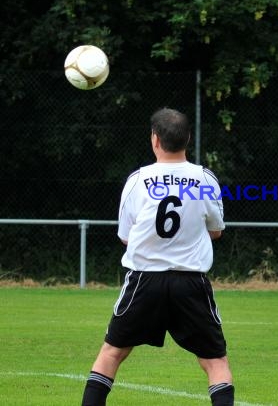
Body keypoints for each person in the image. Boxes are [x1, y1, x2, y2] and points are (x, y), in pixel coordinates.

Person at [81, 108, 234, 406]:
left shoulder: (138, 180)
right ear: (187, 138)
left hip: (144, 280)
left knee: (112, 353)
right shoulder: (204, 179)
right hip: (191, 282)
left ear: (154, 139)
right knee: (215, 363)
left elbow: (125, 237)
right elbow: (216, 231)